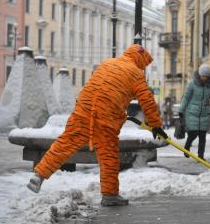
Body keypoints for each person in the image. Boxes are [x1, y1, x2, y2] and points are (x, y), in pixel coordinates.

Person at [26, 45, 168, 206]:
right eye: (144, 64)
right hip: (106, 118)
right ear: (140, 60)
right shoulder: (136, 73)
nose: (143, 68)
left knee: (64, 144)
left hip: (83, 110)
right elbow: (147, 101)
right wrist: (156, 125)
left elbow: (99, 88)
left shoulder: (107, 63)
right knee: (108, 156)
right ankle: (110, 195)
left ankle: (39, 174)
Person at [179, 64, 210, 160]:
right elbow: (186, 97)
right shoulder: (192, 84)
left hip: (204, 113)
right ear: (199, 75)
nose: (204, 78)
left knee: (203, 137)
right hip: (192, 113)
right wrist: (181, 110)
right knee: (192, 134)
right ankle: (187, 147)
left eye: (206, 76)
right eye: (203, 76)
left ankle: (201, 156)